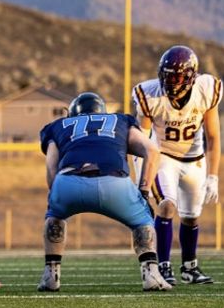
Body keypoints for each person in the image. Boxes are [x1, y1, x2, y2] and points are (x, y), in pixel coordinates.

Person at [39, 92, 168, 292]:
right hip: (114, 181)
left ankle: (51, 275)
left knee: (54, 217)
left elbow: (51, 167)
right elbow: (152, 151)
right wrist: (143, 192)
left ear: (72, 113)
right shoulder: (120, 120)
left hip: (69, 180)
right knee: (143, 220)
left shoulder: (58, 126)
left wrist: (55, 197)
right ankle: (151, 274)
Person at [132, 45, 221, 285]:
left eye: (178, 76)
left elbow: (213, 137)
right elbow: (141, 141)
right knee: (166, 206)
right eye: (168, 75)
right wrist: (143, 181)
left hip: (195, 159)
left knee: (191, 217)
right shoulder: (150, 95)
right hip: (164, 158)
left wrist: (213, 175)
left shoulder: (206, 90)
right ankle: (163, 265)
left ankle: (190, 268)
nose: (172, 82)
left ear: (192, 76)